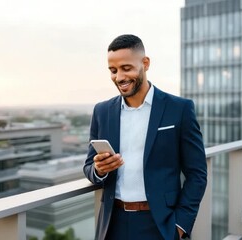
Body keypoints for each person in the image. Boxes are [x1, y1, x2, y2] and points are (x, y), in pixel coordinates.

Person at [83, 34, 207, 240]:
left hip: (161, 224)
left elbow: (197, 174)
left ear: (145, 63)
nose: (119, 77)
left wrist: (180, 225)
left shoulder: (180, 109)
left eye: (126, 68)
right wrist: (99, 169)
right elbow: (89, 167)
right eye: (113, 71)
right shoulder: (102, 111)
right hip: (112, 224)